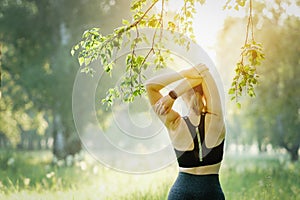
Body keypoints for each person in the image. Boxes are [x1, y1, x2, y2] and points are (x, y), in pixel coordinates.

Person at [145, 63, 225, 200]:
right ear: (205, 94)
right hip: (211, 192)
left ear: (182, 96)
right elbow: (204, 72)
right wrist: (173, 95)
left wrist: (184, 73)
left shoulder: (174, 123)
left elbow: (150, 86)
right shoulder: (216, 119)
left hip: (181, 192)